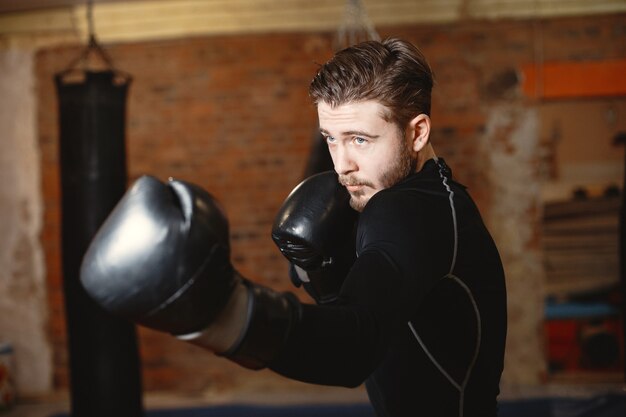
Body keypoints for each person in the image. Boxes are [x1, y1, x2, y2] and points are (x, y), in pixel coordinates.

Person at [80, 38, 507, 417]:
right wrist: (328, 276)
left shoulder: (407, 212)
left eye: (360, 139)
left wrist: (224, 314)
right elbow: (389, 316)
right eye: (330, 139)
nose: (342, 165)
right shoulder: (440, 200)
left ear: (416, 133)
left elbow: (354, 348)